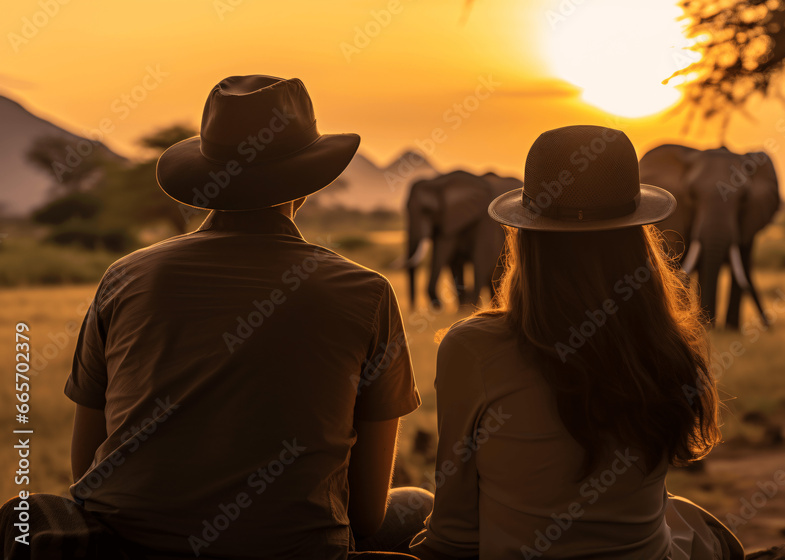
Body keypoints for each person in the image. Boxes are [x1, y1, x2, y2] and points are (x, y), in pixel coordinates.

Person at [0, 75, 430, 560]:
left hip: (129, 547)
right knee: (415, 506)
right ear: (307, 185)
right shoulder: (367, 292)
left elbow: (85, 474)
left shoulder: (123, 279)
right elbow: (367, 516)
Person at [409, 125, 744, 559]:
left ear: (525, 238)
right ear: (637, 241)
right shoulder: (664, 343)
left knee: (408, 503)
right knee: (694, 522)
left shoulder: (472, 347)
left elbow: (454, 534)